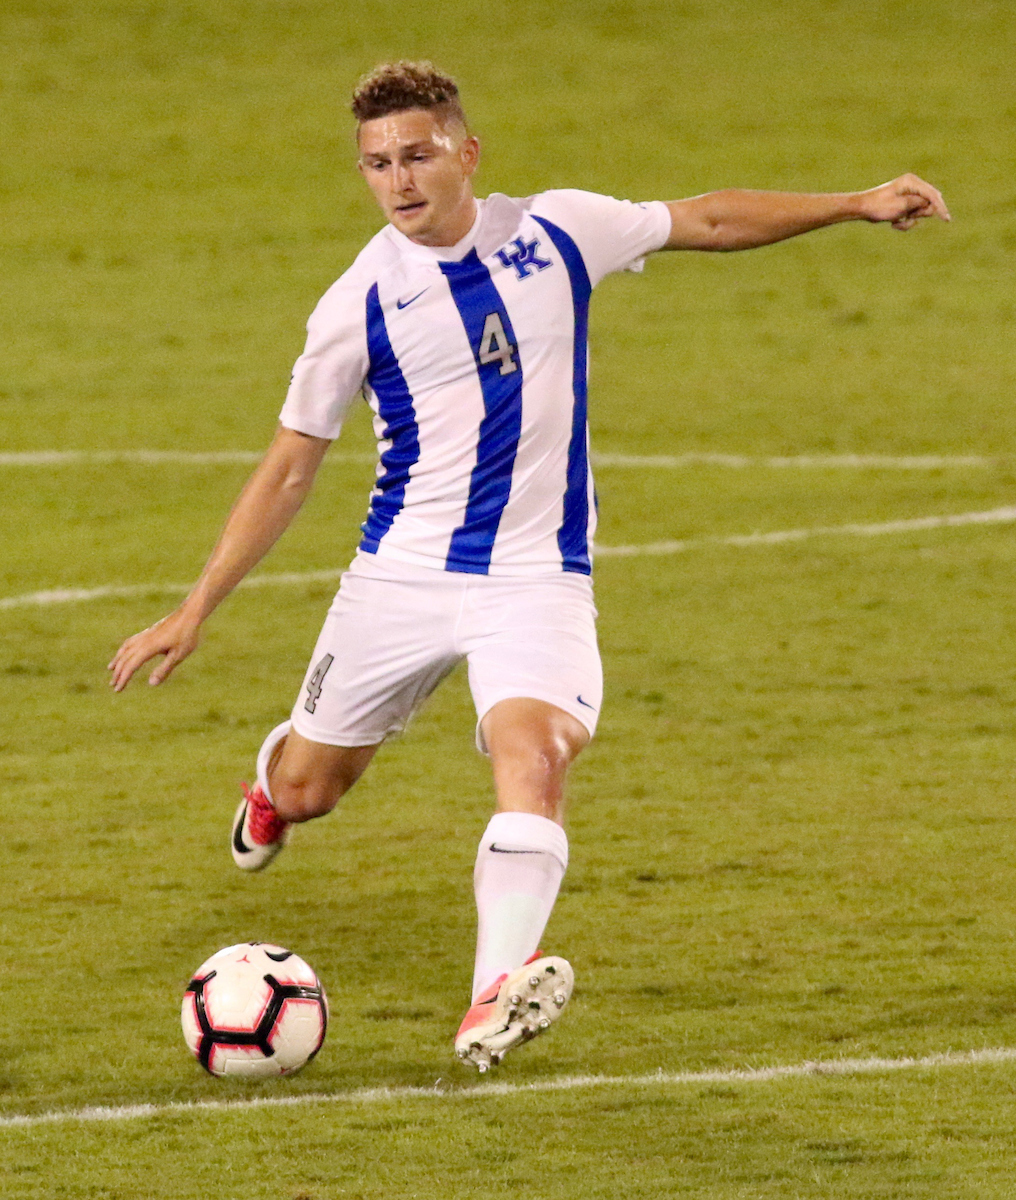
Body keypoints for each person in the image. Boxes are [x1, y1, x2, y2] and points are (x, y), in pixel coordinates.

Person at [108, 61, 949, 1073]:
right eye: (375, 164)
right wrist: (196, 607)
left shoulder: (557, 233)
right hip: (400, 580)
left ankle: (491, 993)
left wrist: (854, 202)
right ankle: (270, 787)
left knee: (536, 756)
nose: (398, 180)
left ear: (466, 153)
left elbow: (707, 220)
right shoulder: (358, 301)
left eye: (416, 155)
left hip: (537, 579)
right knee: (310, 788)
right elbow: (291, 466)